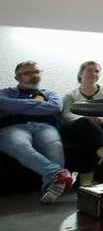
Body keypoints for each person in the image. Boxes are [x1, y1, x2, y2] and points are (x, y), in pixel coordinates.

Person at [0, 61, 76, 203]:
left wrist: (16, 106)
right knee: (20, 145)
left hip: (44, 127)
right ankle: (58, 173)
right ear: (17, 78)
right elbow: (2, 103)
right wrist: (38, 104)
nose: (34, 76)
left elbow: (55, 107)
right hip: (15, 127)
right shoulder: (6, 92)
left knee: (55, 145)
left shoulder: (49, 93)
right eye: (28, 73)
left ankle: (52, 186)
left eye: (36, 72)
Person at [61, 61, 103, 187]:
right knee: (86, 123)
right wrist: (87, 118)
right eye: (89, 70)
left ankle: (86, 181)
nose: (93, 73)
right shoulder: (70, 95)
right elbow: (66, 114)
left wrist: (101, 119)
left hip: (102, 127)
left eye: (96, 71)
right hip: (79, 128)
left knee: (89, 140)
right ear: (81, 74)